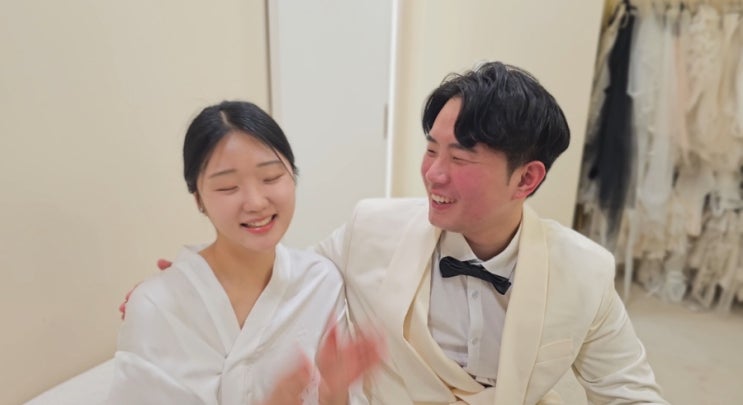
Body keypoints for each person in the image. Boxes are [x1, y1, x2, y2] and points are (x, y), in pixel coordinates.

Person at [130, 62, 667, 404]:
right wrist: (189, 283)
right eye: (431, 149)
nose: (433, 173)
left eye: (460, 158)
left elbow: (631, 394)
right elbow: (279, 277)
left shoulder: (585, 272)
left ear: (526, 179)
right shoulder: (371, 228)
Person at [109, 101, 382, 405]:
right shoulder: (156, 305)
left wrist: (333, 395)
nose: (255, 202)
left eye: (271, 177)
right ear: (198, 199)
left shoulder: (320, 284)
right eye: (228, 187)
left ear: (293, 176)